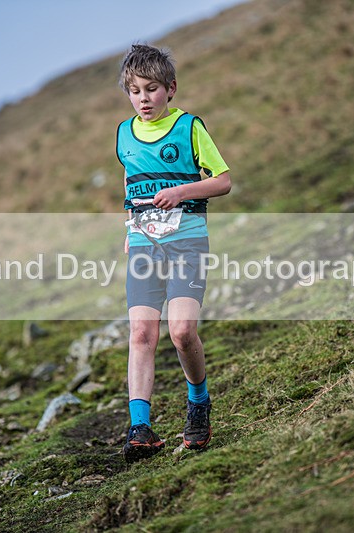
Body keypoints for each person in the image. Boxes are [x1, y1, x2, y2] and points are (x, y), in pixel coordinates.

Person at [116, 44, 232, 463]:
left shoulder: (189, 127)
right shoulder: (123, 134)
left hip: (187, 242)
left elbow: (223, 181)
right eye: (135, 91)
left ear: (171, 89)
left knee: (182, 332)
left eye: (151, 89)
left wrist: (182, 192)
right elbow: (131, 186)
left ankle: (198, 403)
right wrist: (130, 228)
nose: (143, 98)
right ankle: (139, 427)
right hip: (144, 245)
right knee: (142, 334)